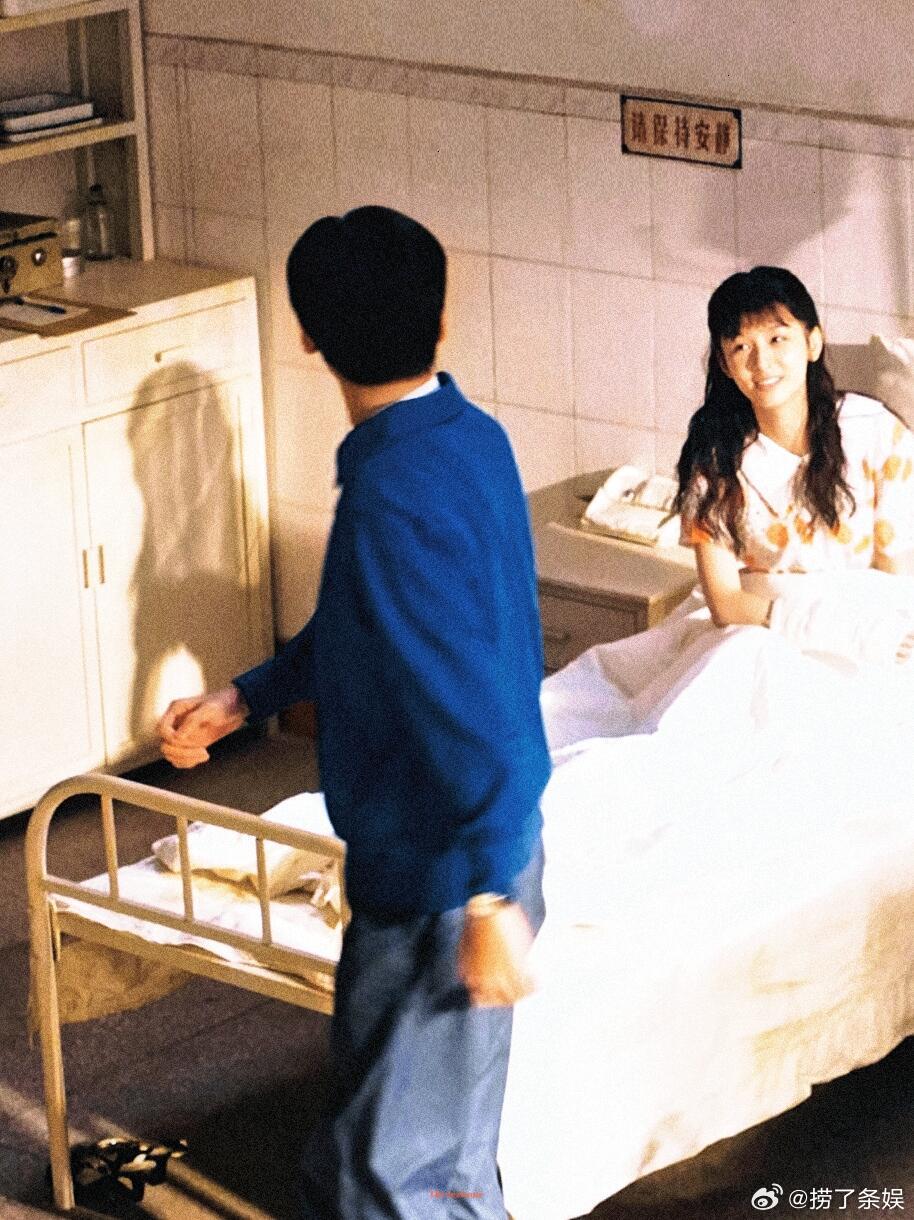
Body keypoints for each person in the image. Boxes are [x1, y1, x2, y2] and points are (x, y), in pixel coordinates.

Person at [157, 205, 550, 1219]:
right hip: (450, 862)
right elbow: (360, 627)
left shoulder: (390, 494)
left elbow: (477, 710)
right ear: (443, 320)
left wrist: (487, 896)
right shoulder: (466, 439)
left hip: (441, 877)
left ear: (307, 336)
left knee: (399, 1180)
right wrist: (245, 697)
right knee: (396, 1159)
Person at [674, 265, 914, 656]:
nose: (762, 363)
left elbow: (895, 577)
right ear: (724, 363)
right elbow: (725, 603)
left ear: (813, 343)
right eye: (741, 347)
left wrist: (875, 636)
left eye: (777, 339)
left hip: (868, 630)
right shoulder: (717, 458)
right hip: (758, 631)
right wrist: (809, 628)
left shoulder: (875, 432)